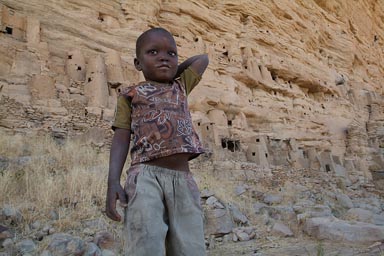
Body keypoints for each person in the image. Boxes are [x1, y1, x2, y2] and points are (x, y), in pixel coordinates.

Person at [105, 27, 209, 256]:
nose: (164, 57)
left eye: (171, 54)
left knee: (190, 246)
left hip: (183, 180)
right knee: (146, 243)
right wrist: (113, 181)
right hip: (145, 178)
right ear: (137, 63)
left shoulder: (180, 87)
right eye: (153, 52)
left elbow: (203, 59)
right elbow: (121, 136)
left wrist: (172, 71)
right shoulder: (129, 95)